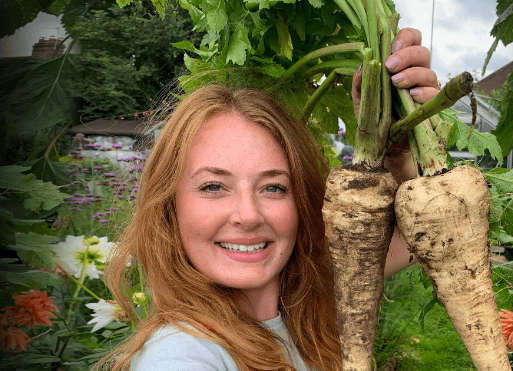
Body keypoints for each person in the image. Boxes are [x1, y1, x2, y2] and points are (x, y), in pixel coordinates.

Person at [96, 28, 439, 371]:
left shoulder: (307, 299)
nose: (248, 215)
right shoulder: (181, 356)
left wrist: (400, 151)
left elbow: (427, 231)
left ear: (299, 204)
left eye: (273, 188)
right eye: (214, 187)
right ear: (169, 208)